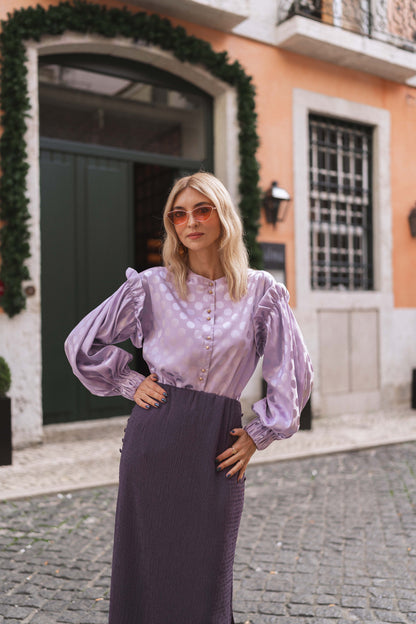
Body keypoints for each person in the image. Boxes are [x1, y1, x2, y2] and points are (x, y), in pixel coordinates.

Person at [64, 172, 313, 624]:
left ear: (223, 216)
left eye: (202, 210)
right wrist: (128, 381)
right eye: (179, 214)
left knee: (208, 574)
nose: (190, 222)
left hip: (218, 445)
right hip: (155, 439)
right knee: (147, 567)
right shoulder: (151, 286)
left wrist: (258, 435)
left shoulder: (261, 293)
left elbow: (294, 371)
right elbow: (82, 344)